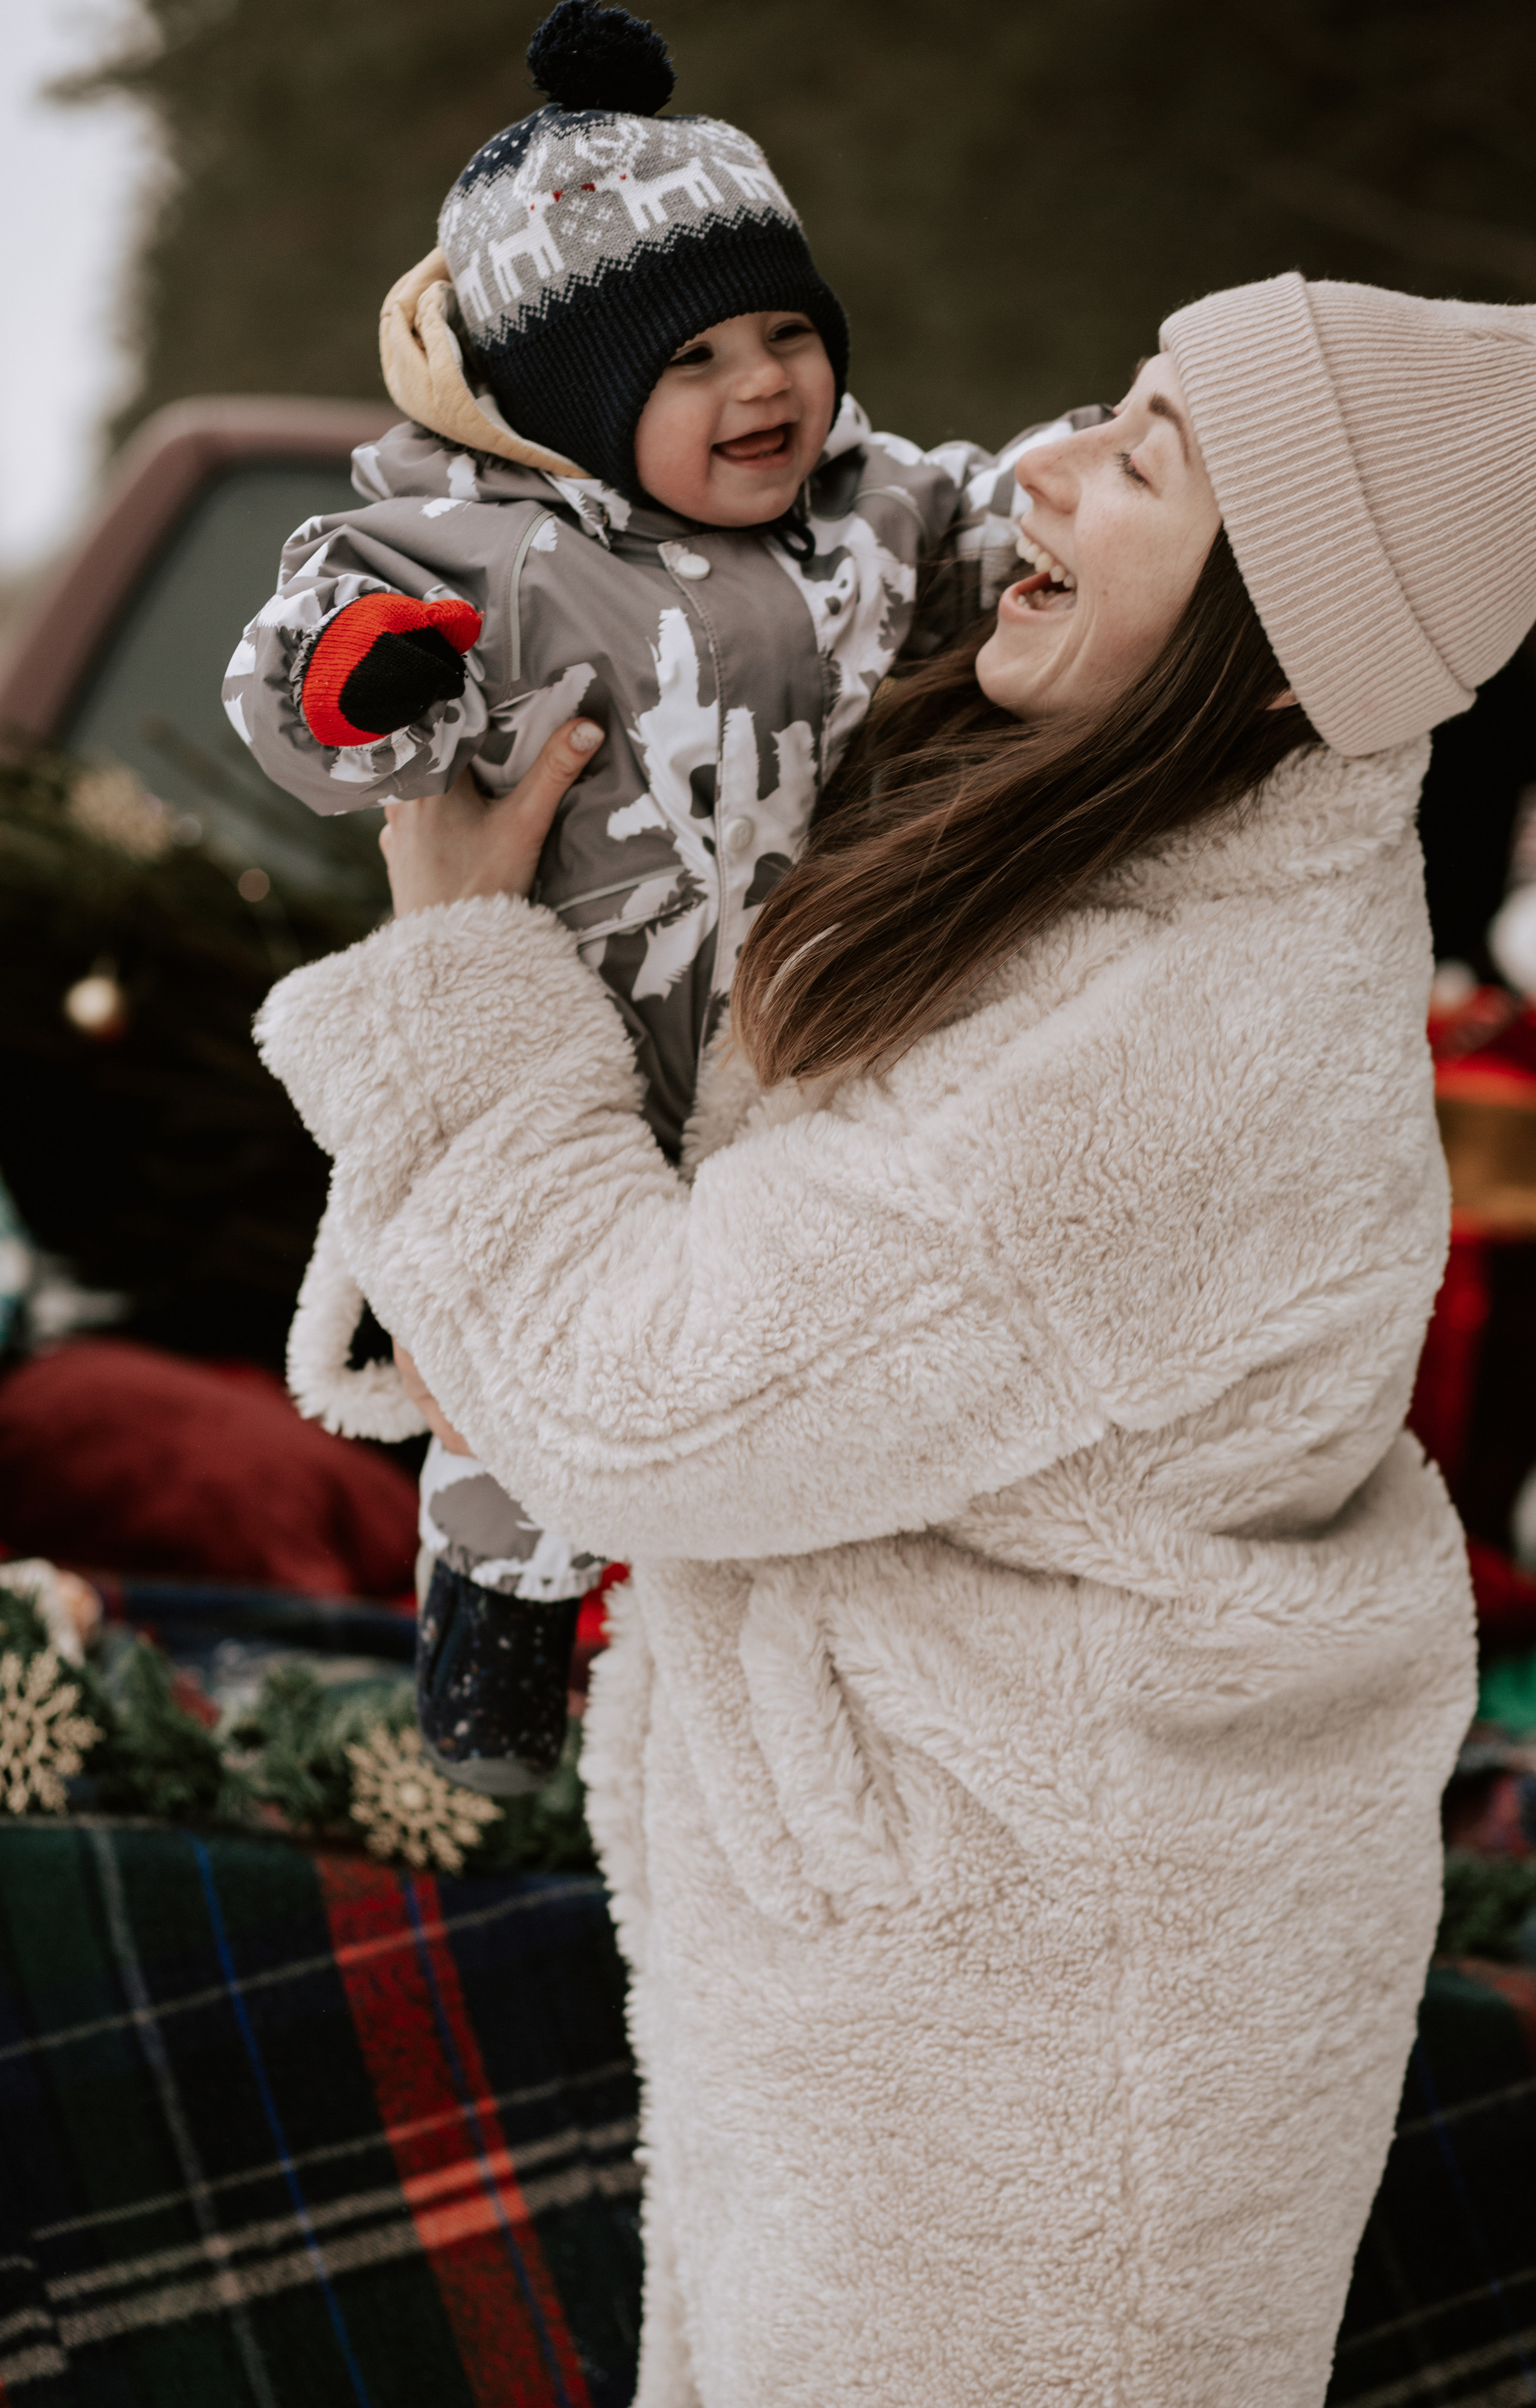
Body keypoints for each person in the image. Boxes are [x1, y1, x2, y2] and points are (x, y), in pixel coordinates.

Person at [259, 275, 1536, 2405]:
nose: (1043, 461)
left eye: (1149, 459)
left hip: (1038, 2128)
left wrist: (462, 965)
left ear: (1274, 655)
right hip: (915, 2018)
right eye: (1109, 395)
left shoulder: (1186, 1055)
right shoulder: (1115, 875)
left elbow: (645, 1393)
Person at [225, 0, 1096, 1794]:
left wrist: (1118, 470)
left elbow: (1023, 519)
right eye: (692, 359)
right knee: (517, 1391)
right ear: (569, 399)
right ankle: (493, 1682)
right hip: (579, 1045)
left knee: (779, 1405)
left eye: (790, 333)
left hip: (813, 1042)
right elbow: (292, 665)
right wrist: (374, 676)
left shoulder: (875, 512)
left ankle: (752, 1731)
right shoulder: (476, 546)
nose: (764, 385)